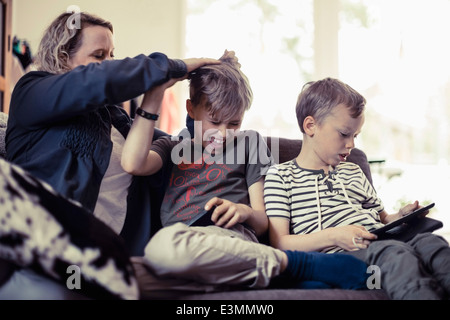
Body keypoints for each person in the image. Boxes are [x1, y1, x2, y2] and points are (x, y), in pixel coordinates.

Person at [121, 51, 371, 295]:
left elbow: (263, 223)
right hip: (189, 249)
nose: (223, 133)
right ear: (191, 109)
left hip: (230, 237)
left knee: (162, 246)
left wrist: (244, 211)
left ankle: (299, 264)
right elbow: (133, 164)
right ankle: (277, 277)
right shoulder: (173, 146)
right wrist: (154, 95)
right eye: (214, 121)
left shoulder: (249, 143)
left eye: (234, 123)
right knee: (116, 278)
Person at [5, 11, 219, 256]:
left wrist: (209, 101)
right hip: (48, 247)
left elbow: (179, 147)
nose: (109, 62)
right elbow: (97, 79)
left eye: (112, 55)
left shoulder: (116, 119)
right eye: (99, 55)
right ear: (63, 58)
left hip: (115, 258)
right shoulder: (31, 92)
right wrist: (171, 66)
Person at [264, 77, 450, 299]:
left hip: (385, 241)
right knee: (395, 254)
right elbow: (279, 243)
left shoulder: (352, 170)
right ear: (310, 126)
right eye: (344, 134)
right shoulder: (281, 176)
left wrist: (400, 216)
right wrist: (334, 236)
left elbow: (382, 219)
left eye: (355, 136)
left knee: (432, 243)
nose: (351, 144)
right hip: (345, 256)